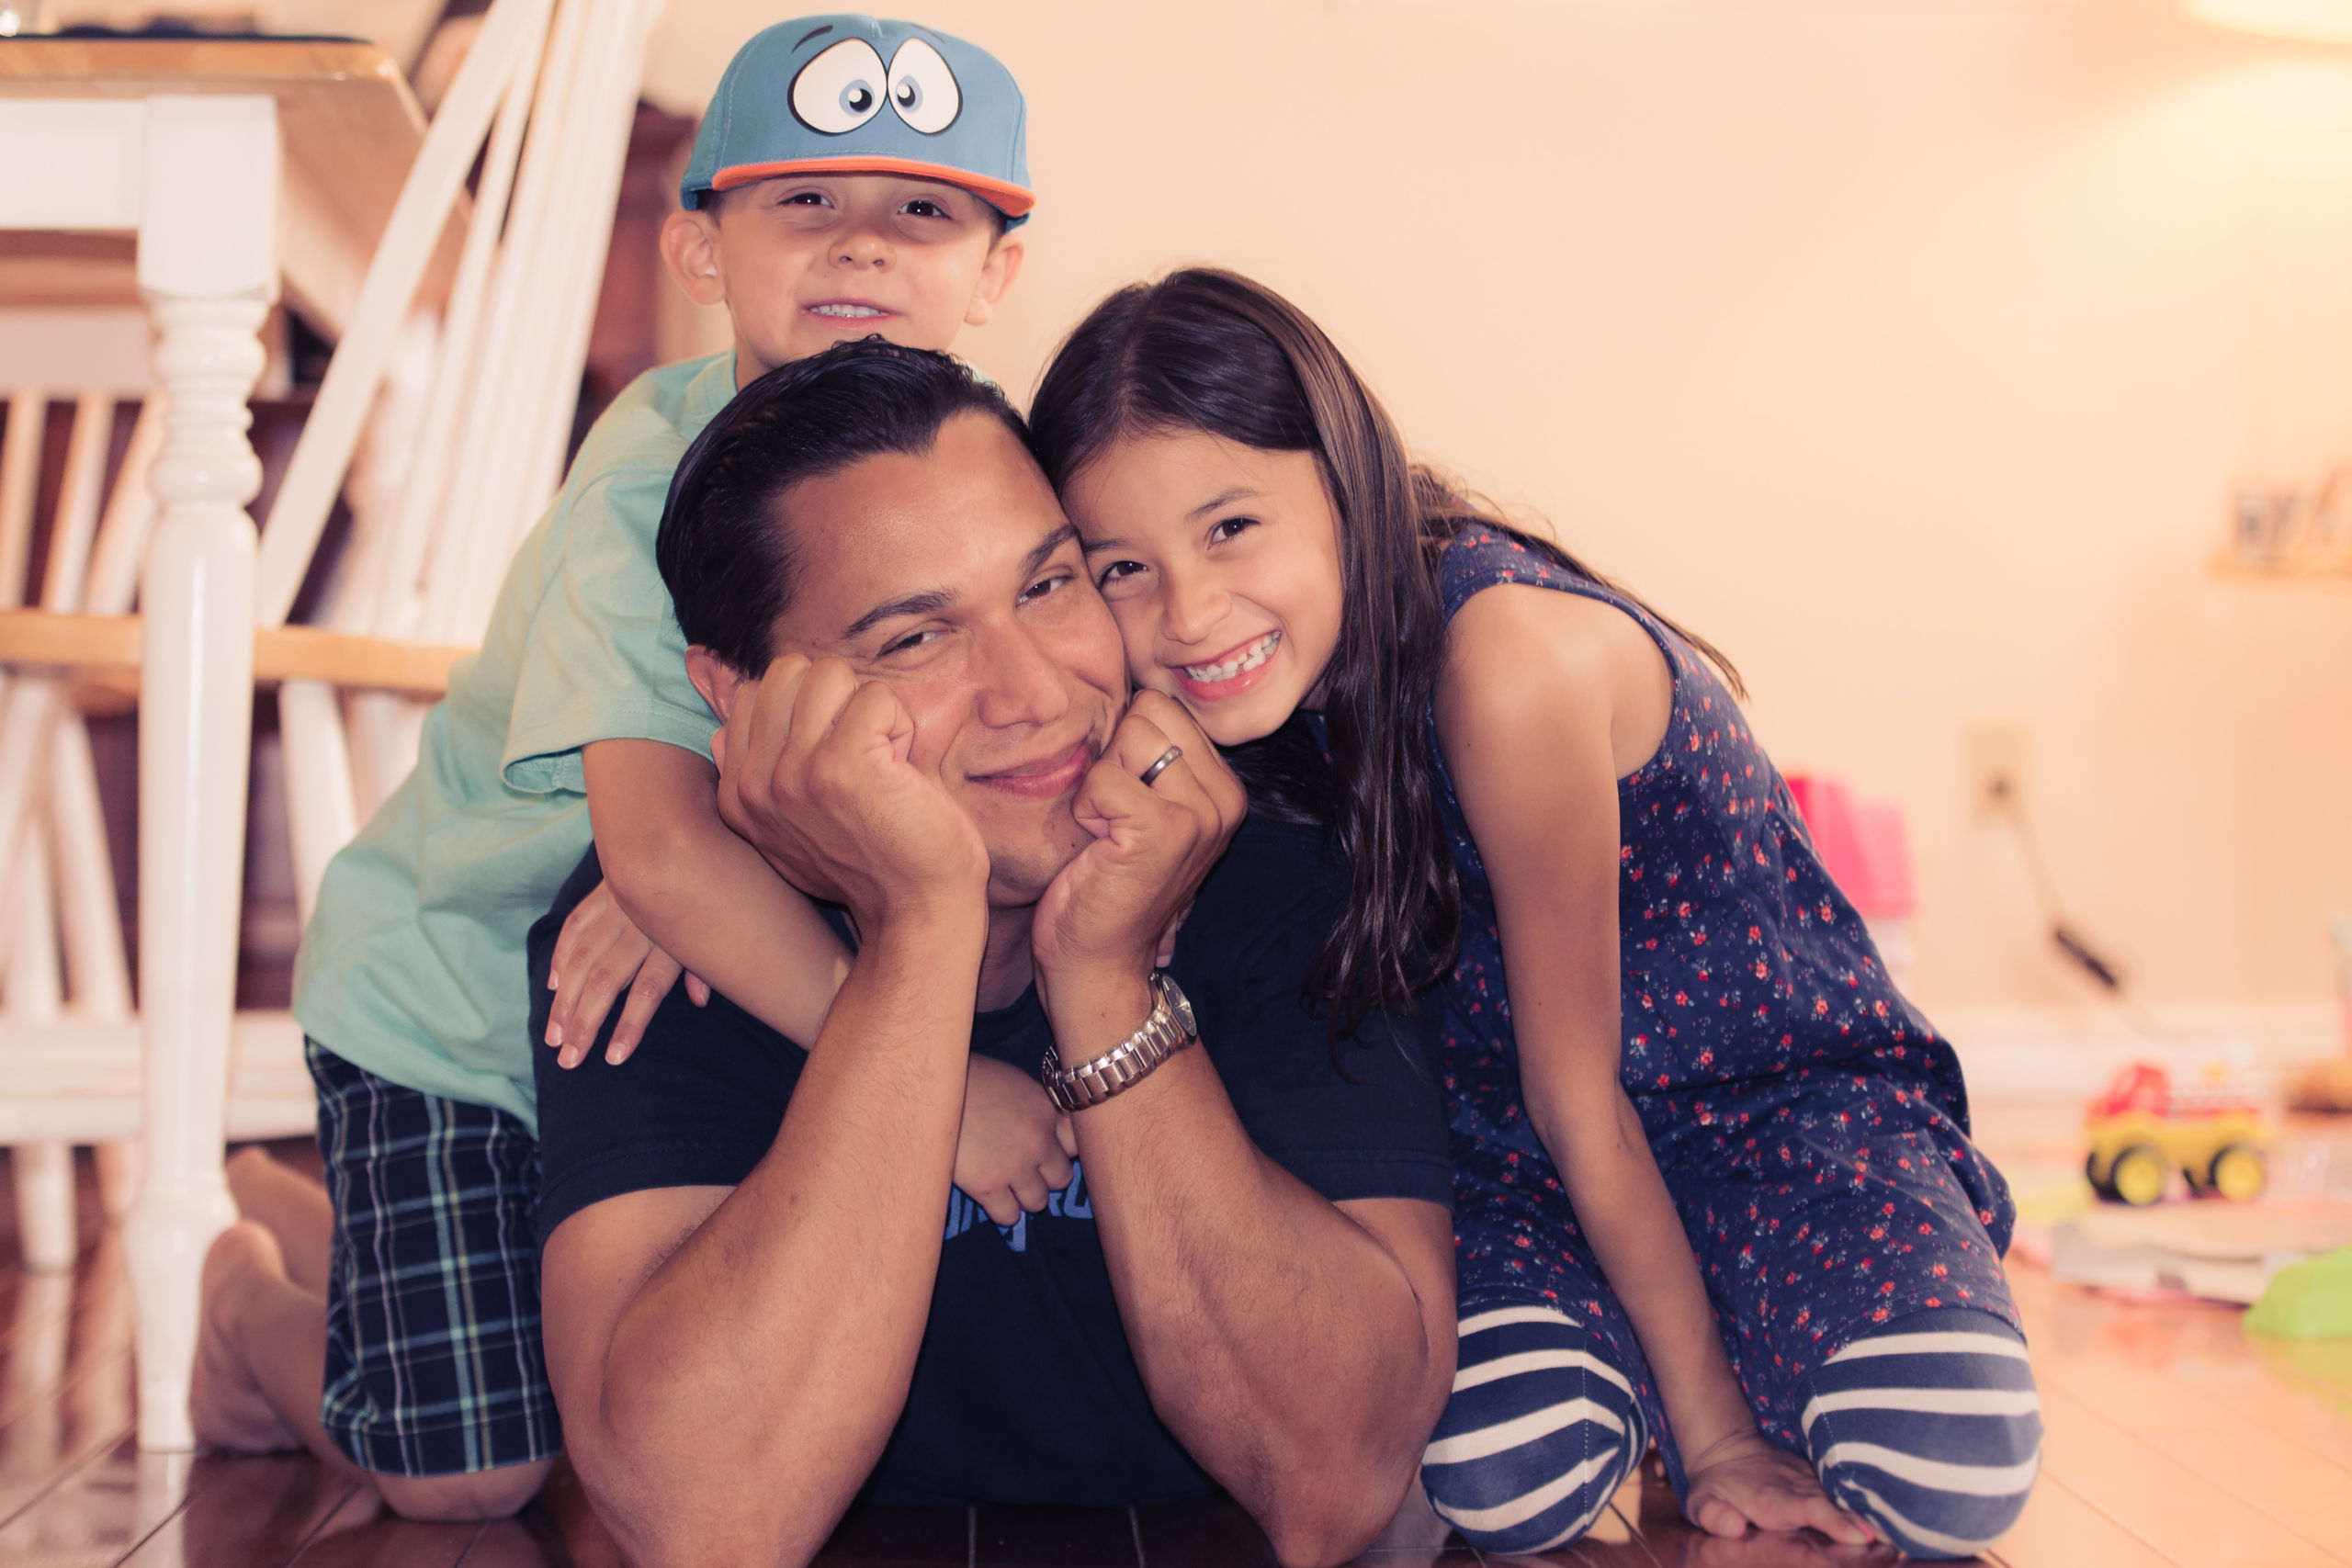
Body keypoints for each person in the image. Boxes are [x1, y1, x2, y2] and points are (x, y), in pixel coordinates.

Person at [1025, 268, 2044, 1560]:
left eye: (1232, 528)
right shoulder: (1235, 724)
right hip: (1515, 1164)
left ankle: (1733, 1358)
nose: (1188, 612)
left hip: (1775, 1118)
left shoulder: (1504, 662)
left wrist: (1716, 1435)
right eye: (1123, 566)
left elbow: (1588, 1096)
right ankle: (1672, 1356)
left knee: (1943, 1469)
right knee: (1503, 1476)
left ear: (1344, 481)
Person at [193, 16, 1048, 1520]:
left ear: (995, 271)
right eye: (802, 203)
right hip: (452, 1010)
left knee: (532, 1328)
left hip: (639, 982)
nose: (862, 245)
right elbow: (657, 853)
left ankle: (341, 1237)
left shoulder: (961, 476)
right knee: (477, 1475)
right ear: (700, 252)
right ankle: (248, 1309)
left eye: (922, 209)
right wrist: (945, 1087)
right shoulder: (640, 495)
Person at [524, 340, 1458, 1568]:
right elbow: (705, 1519)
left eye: (1050, 586)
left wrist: (1104, 979)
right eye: (914, 641)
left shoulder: (1276, 866)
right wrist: (918, 934)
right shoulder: (666, 940)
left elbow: (1333, 1482)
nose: (1035, 695)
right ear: (737, 695)